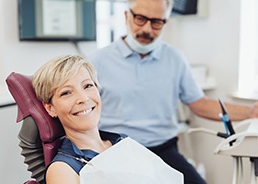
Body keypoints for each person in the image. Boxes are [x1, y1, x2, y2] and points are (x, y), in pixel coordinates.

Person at [87, 0, 258, 183]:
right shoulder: (98, 61)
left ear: (165, 22)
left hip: (163, 150)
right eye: (140, 19)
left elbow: (199, 104)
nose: (147, 29)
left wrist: (251, 112)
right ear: (126, 16)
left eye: (156, 22)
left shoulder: (175, 59)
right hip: (115, 150)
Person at [31, 55, 184, 184]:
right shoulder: (63, 170)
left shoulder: (121, 142)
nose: (83, 98)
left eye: (88, 86)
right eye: (66, 93)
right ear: (50, 108)